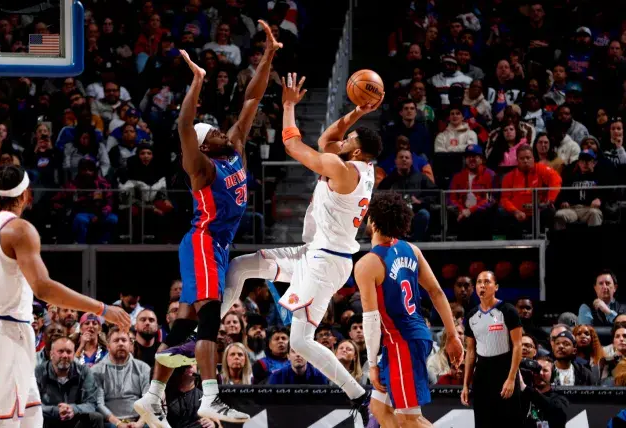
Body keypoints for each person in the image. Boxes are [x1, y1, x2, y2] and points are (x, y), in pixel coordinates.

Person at [133, 22, 281, 427]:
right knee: (209, 319)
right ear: (203, 146)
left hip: (216, 246)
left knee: (182, 327)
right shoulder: (201, 168)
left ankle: (152, 396)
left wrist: (268, 55)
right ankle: (211, 398)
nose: (219, 130)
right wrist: (197, 82)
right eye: (211, 131)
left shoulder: (234, 147)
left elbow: (252, 98)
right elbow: (184, 127)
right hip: (202, 242)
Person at [218, 72, 383, 424]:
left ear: (355, 150)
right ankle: (202, 334)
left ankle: (359, 395)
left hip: (325, 264)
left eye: (349, 139)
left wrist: (289, 106)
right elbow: (327, 139)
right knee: (240, 266)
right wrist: (356, 113)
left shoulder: (343, 170)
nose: (342, 141)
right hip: (314, 254)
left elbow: (294, 145)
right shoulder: (360, 166)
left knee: (301, 342)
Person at [0, 165, 131, 428]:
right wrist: (102, 308)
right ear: (25, 194)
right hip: (4, 331)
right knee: (3, 422)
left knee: (31, 417)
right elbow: (44, 289)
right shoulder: (18, 229)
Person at [354, 192, 463, 428]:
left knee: (409, 419)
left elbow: (371, 320)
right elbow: (436, 292)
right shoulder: (411, 250)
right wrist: (453, 335)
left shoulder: (367, 264)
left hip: (401, 343)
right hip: (412, 337)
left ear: (373, 221)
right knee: (379, 408)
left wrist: (371, 365)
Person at [461, 271, 524, 428]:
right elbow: (470, 352)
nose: (482, 285)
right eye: (479, 282)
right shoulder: (471, 316)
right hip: (482, 375)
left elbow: (518, 345)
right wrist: (465, 385)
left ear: (496, 287)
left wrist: (511, 379)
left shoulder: (508, 310)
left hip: (505, 372)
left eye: (487, 282)